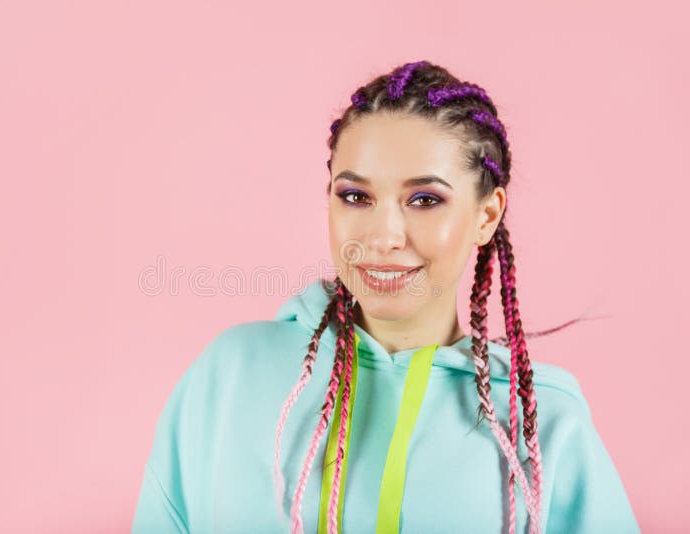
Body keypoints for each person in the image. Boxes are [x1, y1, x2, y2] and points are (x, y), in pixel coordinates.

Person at [131, 60, 640, 533]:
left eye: (425, 200)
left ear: (486, 215)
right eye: (356, 196)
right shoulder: (231, 374)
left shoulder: (544, 427)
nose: (383, 236)